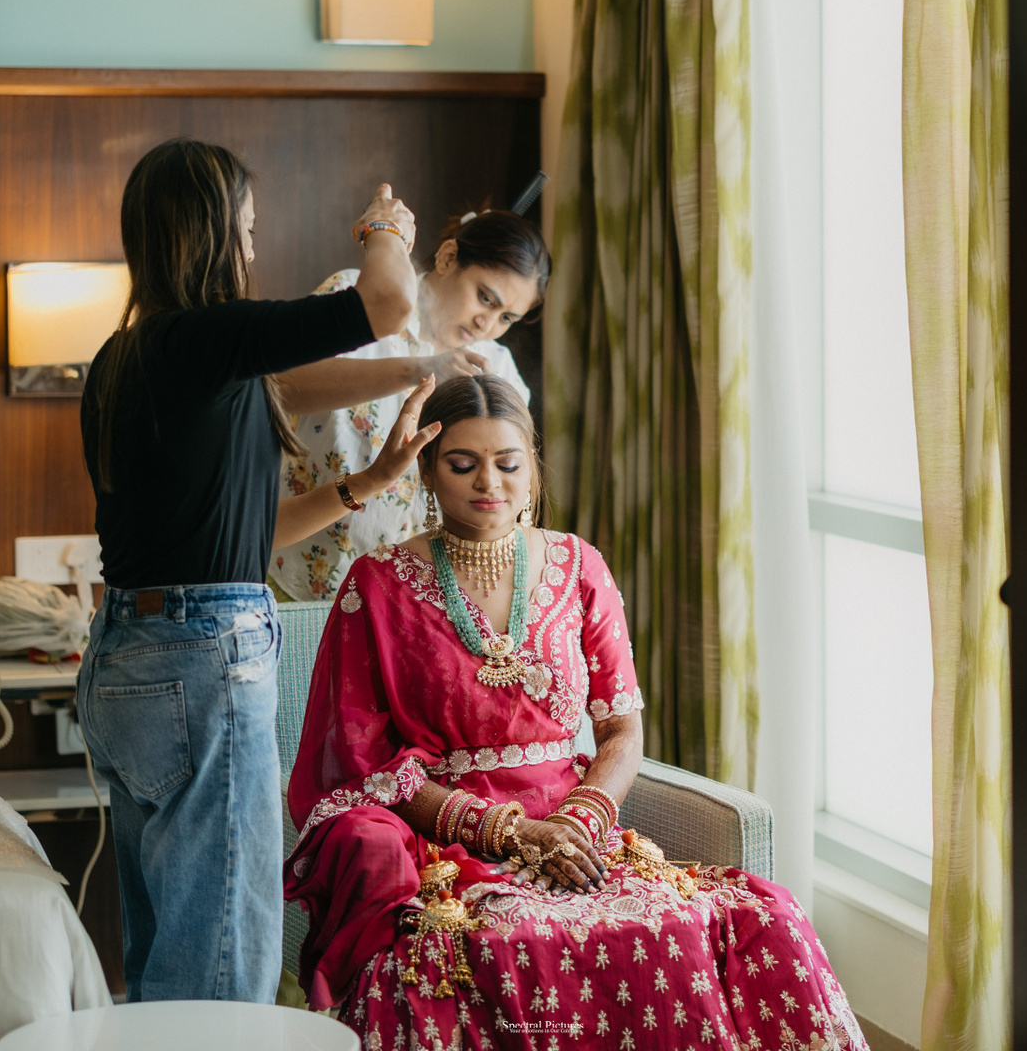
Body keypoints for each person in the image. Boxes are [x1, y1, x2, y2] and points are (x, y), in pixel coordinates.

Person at [284, 375, 867, 1050]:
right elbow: (366, 766)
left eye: (508, 463)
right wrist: (510, 834)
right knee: (508, 946)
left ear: (533, 468)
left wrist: (576, 822)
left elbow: (621, 728)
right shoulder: (379, 582)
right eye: (462, 464)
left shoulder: (578, 564)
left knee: (751, 921)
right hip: (449, 839)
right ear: (427, 471)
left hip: (576, 832)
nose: (489, 483)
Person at [75, 138, 440, 1005]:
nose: (253, 245)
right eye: (245, 227)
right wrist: (386, 227)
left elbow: (249, 537)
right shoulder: (206, 338)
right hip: (202, 661)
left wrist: (366, 483)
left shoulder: (129, 360)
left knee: (169, 956)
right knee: (223, 969)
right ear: (209, 235)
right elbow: (387, 301)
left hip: (130, 655)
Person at [267, 209, 551, 602]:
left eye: (507, 317)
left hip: (411, 601)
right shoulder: (361, 296)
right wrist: (416, 369)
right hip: (297, 578)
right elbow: (280, 385)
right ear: (447, 257)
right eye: (485, 298)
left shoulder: (500, 371)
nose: (487, 324)